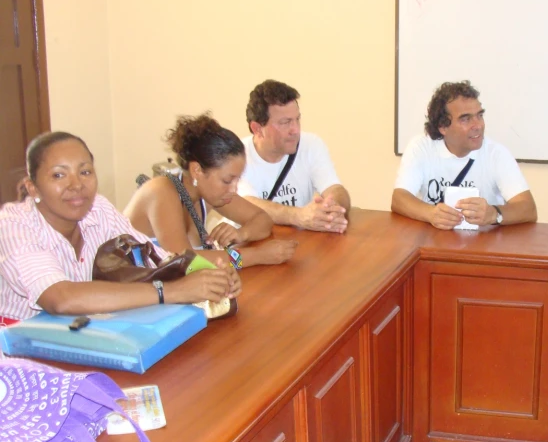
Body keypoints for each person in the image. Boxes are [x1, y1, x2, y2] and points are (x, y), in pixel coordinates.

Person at [0, 132, 239, 324]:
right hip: (21, 353)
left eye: (85, 172)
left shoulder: (98, 209)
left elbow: (158, 259)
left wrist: (211, 275)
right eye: (59, 175)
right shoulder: (14, 225)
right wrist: (172, 292)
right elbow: (60, 299)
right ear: (33, 188)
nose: (76, 185)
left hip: (87, 332)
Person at [124, 113, 298, 266]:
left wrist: (241, 234)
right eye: (227, 180)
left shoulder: (207, 192)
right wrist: (257, 256)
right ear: (197, 171)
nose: (233, 188)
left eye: (237, 179)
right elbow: (185, 262)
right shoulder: (160, 192)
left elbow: (263, 220)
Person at [392, 80, 537, 229]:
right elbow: (399, 198)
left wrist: (494, 214)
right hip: (434, 241)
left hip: (484, 243)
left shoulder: (496, 154)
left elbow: (528, 209)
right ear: (443, 126)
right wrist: (430, 213)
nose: (478, 126)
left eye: (479, 115)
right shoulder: (421, 147)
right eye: (466, 119)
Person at [237, 79, 351, 233]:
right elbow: (246, 205)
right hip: (245, 248)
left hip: (294, 243)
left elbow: (334, 188)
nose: (295, 130)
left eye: (297, 119)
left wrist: (332, 209)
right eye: (285, 122)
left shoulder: (311, 144)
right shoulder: (236, 155)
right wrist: (298, 216)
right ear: (257, 128)